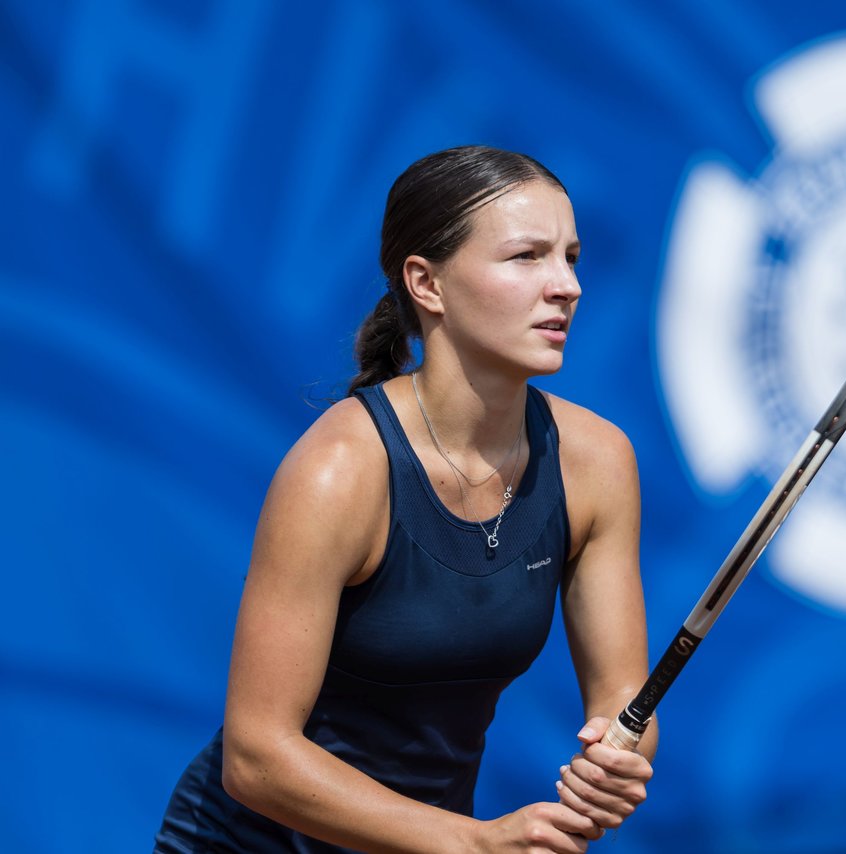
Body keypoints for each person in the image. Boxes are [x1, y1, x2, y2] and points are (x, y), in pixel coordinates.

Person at [156, 145, 656, 853]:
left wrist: (619, 759)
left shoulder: (598, 461)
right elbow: (256, 758)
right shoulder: (337, 473)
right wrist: (476, 844)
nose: (566, 285)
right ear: (427, 283)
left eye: (571, 257)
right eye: (527, 257)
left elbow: (622, 698)